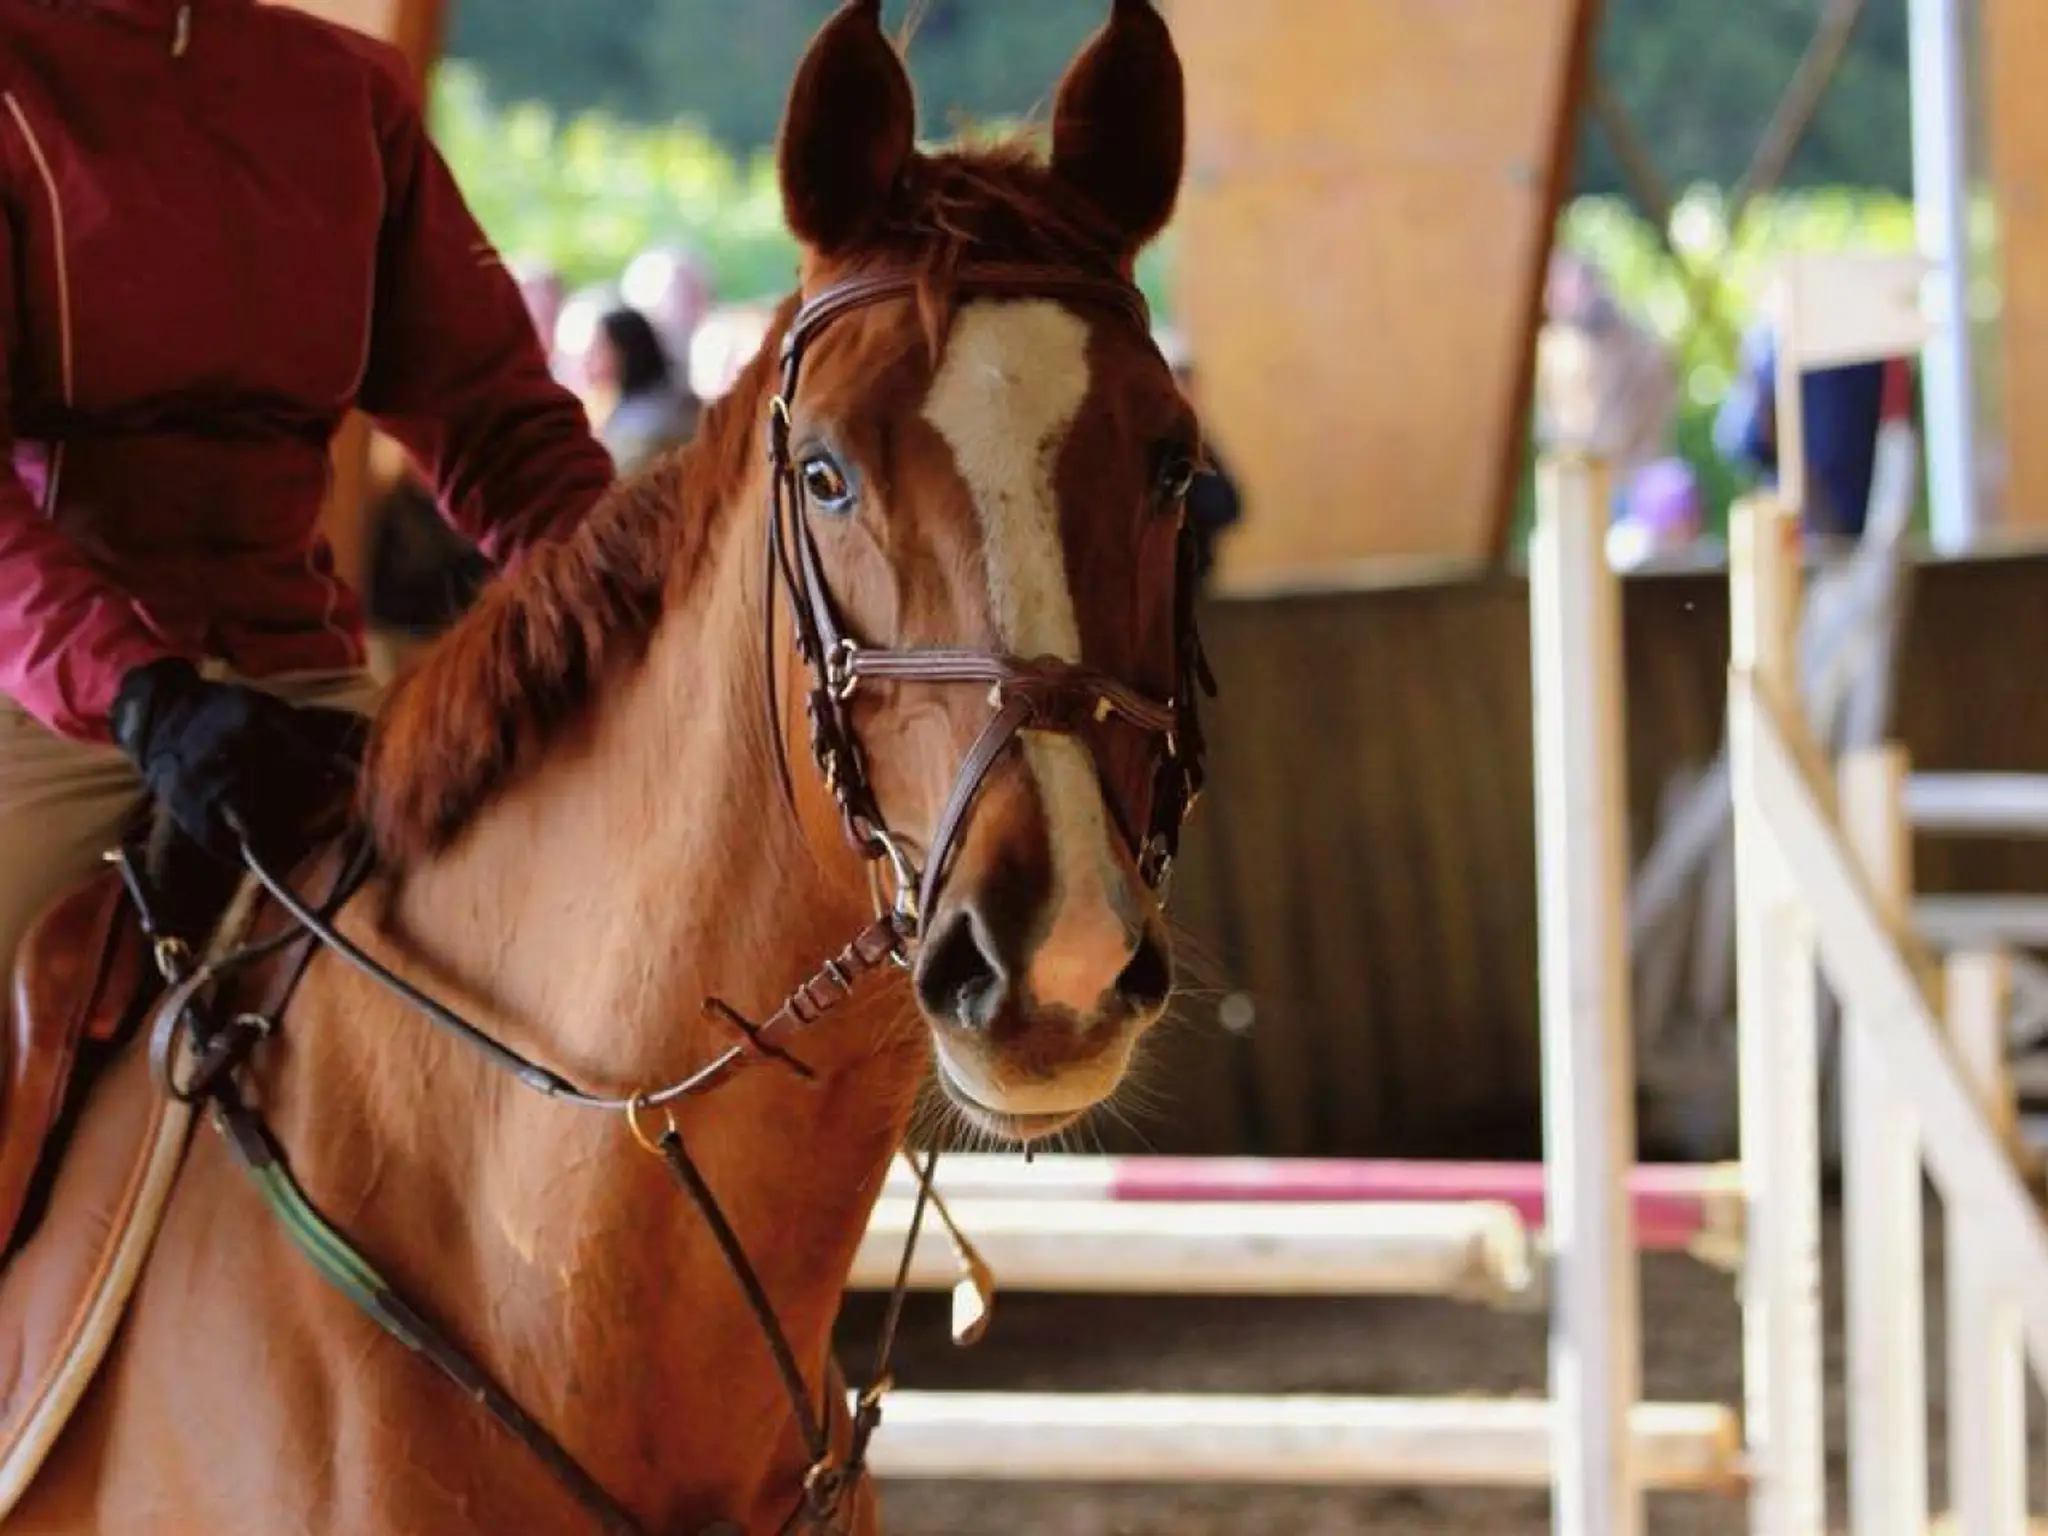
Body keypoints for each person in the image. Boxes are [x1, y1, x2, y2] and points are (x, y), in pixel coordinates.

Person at [0, 0, 616, 974]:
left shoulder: (353, 90)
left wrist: (643, 593)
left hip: (304, 694)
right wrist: (140, 697)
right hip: (50, 704)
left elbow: (502, 429)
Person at [583, 306, 700, 474]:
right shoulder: (676, 405)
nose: (589, 358)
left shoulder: (649, 429)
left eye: (600, 348)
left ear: (625, 352)